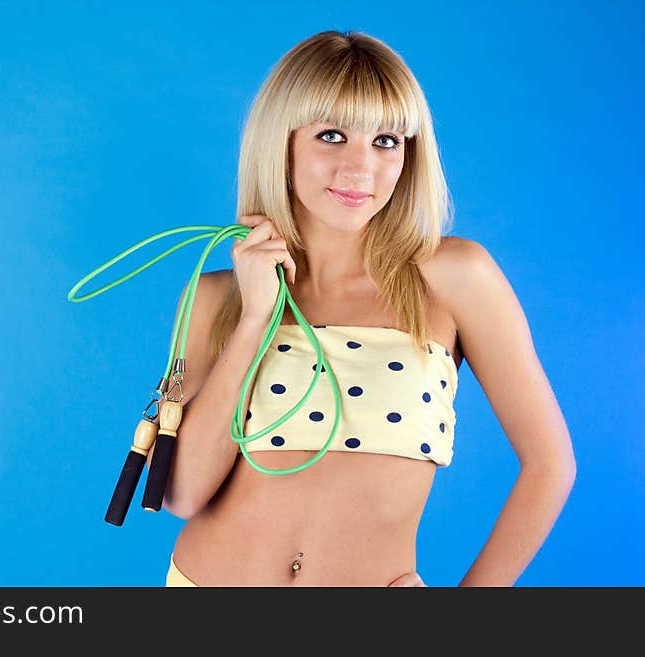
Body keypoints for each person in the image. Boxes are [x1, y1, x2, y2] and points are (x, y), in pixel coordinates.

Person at [149, 30, 576, 587]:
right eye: (332, 135)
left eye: (386, 141)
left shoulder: (454, 279)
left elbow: (550, 467)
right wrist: (256, 317)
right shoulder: (215, 297)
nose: (361, 169)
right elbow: (181, 495)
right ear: (282, 144)